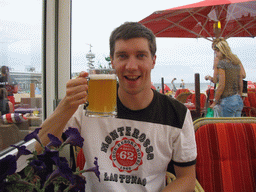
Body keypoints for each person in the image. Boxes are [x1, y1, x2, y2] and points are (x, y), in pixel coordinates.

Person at [38, 22, 197, 191]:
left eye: (141, 55)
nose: (131, 66)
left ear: (153, 61)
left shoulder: (176, 114)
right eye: (122, 56)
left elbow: (187, 178)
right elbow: (39, 148)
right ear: (112, 61)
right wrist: (66, 105)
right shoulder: (89, 105)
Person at [206, 38, 244, 117]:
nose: (216, 54)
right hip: (238, 100)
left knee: (227, 128)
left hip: (227, 100)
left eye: (216, 52)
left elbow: (221, 85)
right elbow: (241, 81)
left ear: (221, 50)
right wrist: (239, 95)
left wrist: (214, 102)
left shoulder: (222, 63)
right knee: (236, 128)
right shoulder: (236, 61)